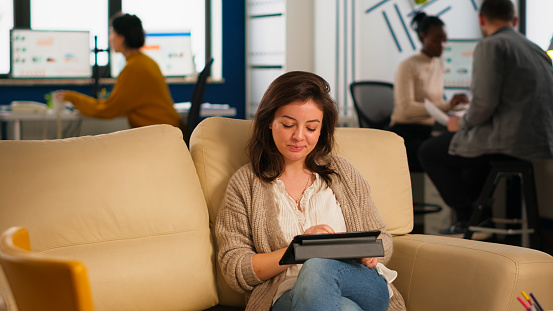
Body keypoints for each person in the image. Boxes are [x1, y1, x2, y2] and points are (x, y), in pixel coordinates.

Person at [215, 71, 406, 311]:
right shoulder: (246, 184)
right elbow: (235, 267)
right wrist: (299, 249)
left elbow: (383, 239)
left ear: (321, 130)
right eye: (288, 124)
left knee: (318, 266)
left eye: (311, 128)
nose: (299, 136)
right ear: (268, 123)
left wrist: (367, 253)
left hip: (361, 284)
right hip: (288, 297)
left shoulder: (343, 173)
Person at [418, 0, 553, 234]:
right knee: (469, 151)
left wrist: (459, 122)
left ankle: (470, 215)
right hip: (539, 141)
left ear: (481, 20)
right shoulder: (536, 49)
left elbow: (483, 105)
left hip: (508, 143)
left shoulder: (491, 45)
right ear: (515, 20)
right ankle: (478, 216)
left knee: (429, 151)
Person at [54, 13, 181, 129]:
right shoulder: (147, 62)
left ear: (121, 38)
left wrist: (71, 97)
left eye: (112, 33)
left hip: (161, 136)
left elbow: (107, 109)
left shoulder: (133, 68)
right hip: (168, 130)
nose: (110, 38)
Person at [391, 12, 468, 172]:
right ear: (422, 37)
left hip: (426, 132)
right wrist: (444, 107)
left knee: (461, 147)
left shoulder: (438, 64)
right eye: (436, 40)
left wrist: (452, 106)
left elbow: (437, 104)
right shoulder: (408, 66)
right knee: (447, 154)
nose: (442, 45)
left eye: (444, 40)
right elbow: (406, 109)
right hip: (405, 134)